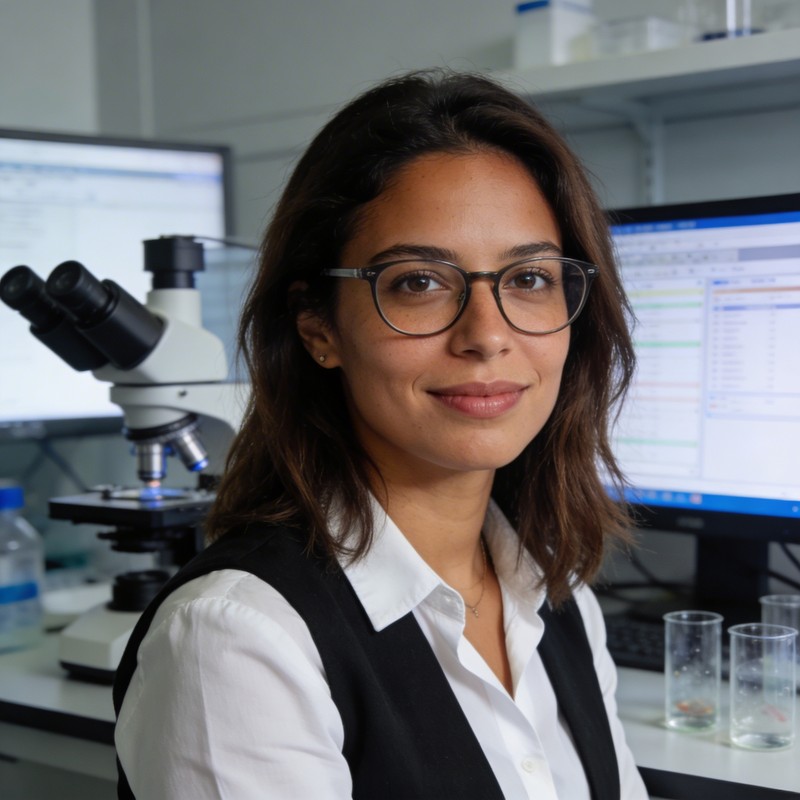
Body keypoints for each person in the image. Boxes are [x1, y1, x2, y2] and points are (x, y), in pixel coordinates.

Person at [113, 69, 648, 799]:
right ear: (318, 326)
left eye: (529, 278)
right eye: (419, 281)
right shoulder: (238, 639)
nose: (487, 335)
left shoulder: (557, 596)